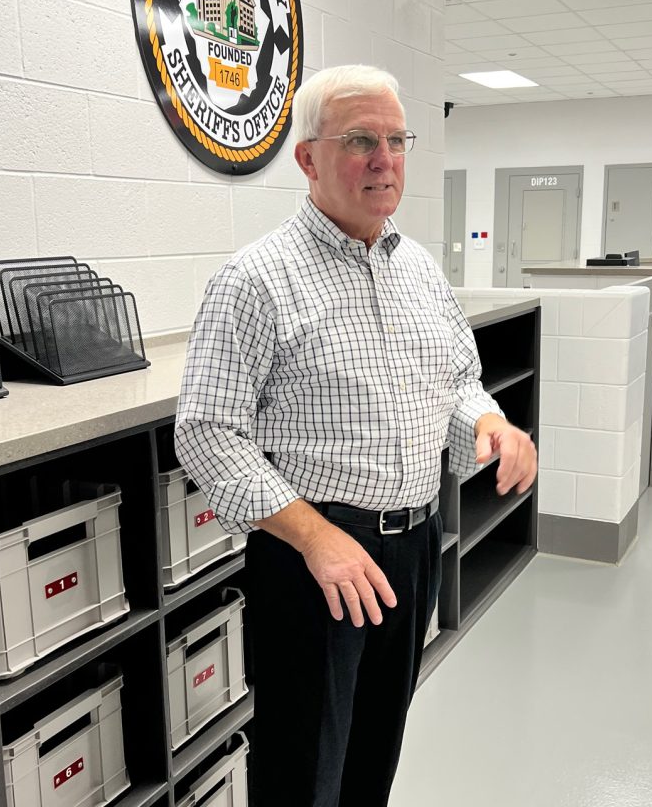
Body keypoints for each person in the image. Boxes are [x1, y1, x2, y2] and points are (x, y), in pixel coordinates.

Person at [174, 64, 537, 807]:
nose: (384, 160)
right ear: (308, 158)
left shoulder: (419, 270)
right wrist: (316, 539)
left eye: (396, 141)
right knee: (305, 771)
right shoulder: (256, 279)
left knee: (375, 752)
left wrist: (490, 422)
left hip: (413, 548)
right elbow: (207, 432)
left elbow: (456, 380)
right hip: (314, 559)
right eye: (361, 141)